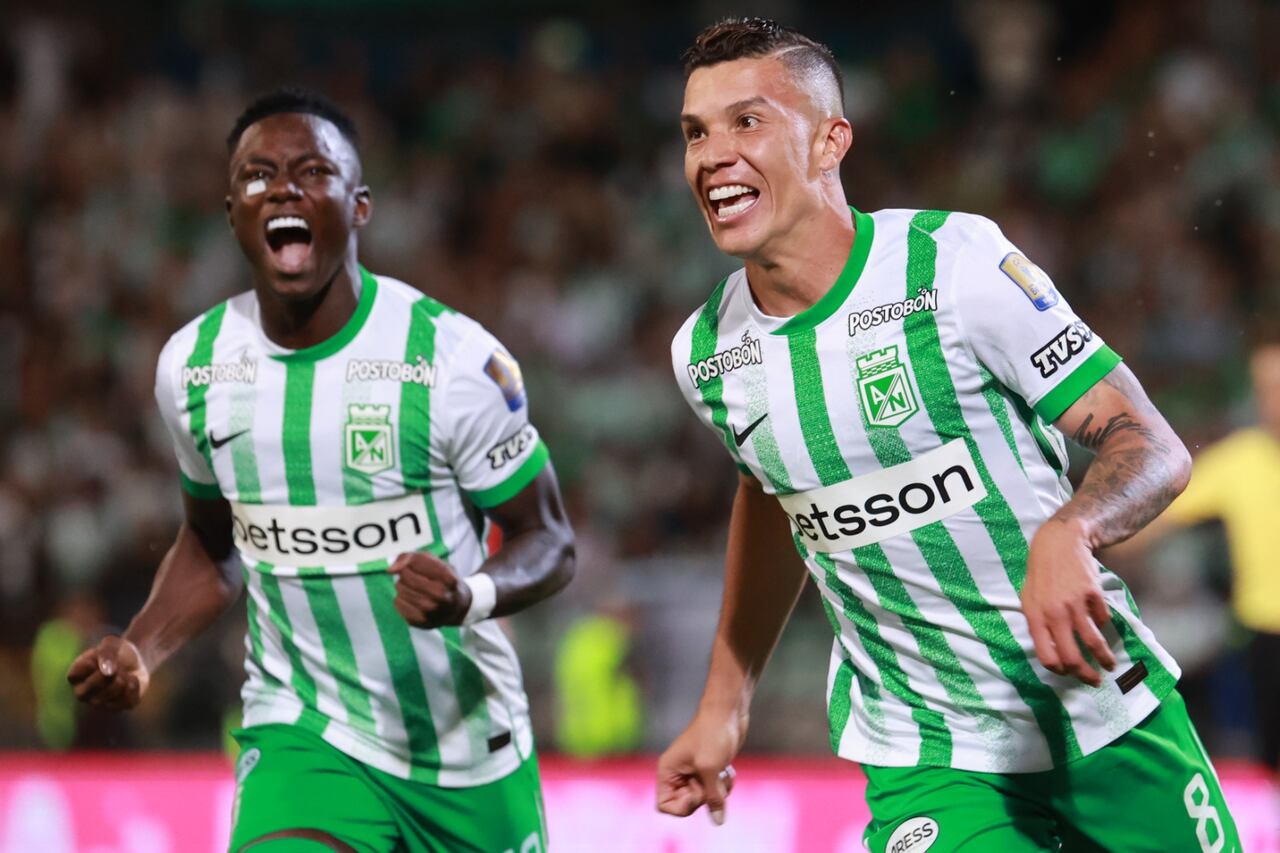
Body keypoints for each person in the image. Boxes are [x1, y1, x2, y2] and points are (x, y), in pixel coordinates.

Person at [655, 18, 1239, 852]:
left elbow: (1147, 442)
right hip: (926, 755)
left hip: (1100, 712)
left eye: (747, 122)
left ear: (830, 141)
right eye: (695, 133)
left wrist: (1071, 532)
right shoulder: (705, 353)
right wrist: (723, 705)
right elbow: (776, 492)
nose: (713, 154)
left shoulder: (953, 265)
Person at [66, 88, 574, 853]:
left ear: (359, 206)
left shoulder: (450, 358)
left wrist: (471, 594)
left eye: (312, 172)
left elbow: (550, 539)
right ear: (231, 210)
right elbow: (212, 544)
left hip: (467, 749)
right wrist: (141, 646)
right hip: (305, 733)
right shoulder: (195, 368)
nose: (283, 189)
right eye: (258, 175)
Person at [1145, 318, 1280, 775]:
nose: (1273, 402)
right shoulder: (1239, 457)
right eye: (1264, 389)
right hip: (1264, 634)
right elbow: (1157, 516)